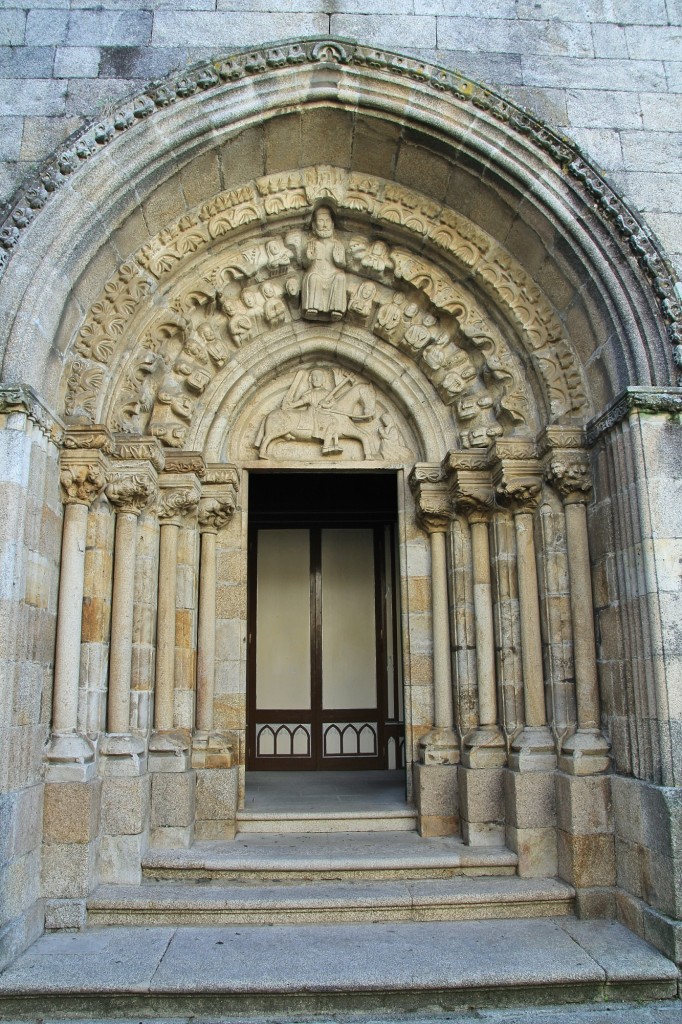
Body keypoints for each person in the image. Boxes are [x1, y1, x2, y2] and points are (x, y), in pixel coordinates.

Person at [301, 207, 347, 320]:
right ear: (314, 225)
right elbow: (305, 265)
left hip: (332, 276)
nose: (325, 225)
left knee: (340, 277)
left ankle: (336, 309)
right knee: (313, 278)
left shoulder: (337, 245)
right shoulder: (312, 244)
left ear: (332, 224)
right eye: (321, 221)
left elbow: (342, 264)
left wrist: (339, 261)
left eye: (327, 221)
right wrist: (309, 258)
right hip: (317, 274)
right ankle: (312, 308)